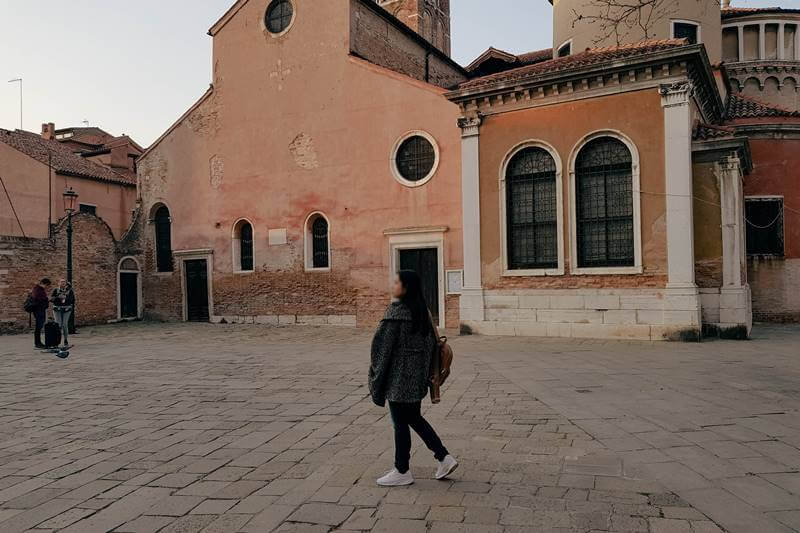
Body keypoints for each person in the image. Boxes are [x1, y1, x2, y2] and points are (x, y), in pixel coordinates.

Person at [369, 270, 458, 486]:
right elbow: (430, 347)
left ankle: (402, 470)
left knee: (401, 423)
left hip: (398, 379)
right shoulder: (423, 313)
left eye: (397, 281)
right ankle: (443, 457)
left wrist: (375, 378)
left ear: (406, 287)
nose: (393, 284)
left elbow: (381, 351)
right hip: (416, 378)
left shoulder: (395, 314)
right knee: (414, 419)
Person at [51, 279, 75, 348]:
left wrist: (65, 298)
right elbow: (51, 299)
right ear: (58, 283)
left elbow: (72, 300)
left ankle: (65, 340)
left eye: (64, 282)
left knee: (64, 324)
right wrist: (58, 297)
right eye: (61, 282)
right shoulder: (56, 290)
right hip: (57, 309)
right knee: (58, 325)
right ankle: (56, 341)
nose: (63, 283)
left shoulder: (70, 291)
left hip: (66, 309)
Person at [30, 278, 51, 348]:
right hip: (38, 310)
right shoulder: (37, 289)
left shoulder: (39, 289)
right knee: (38, 327)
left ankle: (38, 342)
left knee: (39, 327)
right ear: (43, 283)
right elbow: (37, 299)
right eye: (47, 285)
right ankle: (37, 343)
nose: (47, 287)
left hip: (40, 310)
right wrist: (47, 299)